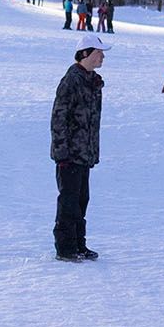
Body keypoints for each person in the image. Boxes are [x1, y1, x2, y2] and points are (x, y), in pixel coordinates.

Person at [50, 44, 105, 261]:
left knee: (82, 200)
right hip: (70, 155)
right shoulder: (71, 81)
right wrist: (62, 152)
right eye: (98, 53)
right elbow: (58, 118)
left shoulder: (92, 82)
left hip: (84, 153)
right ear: (85, 54)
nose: (102, 57)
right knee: (69, 201)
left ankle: (79, 244)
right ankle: (65, 248)